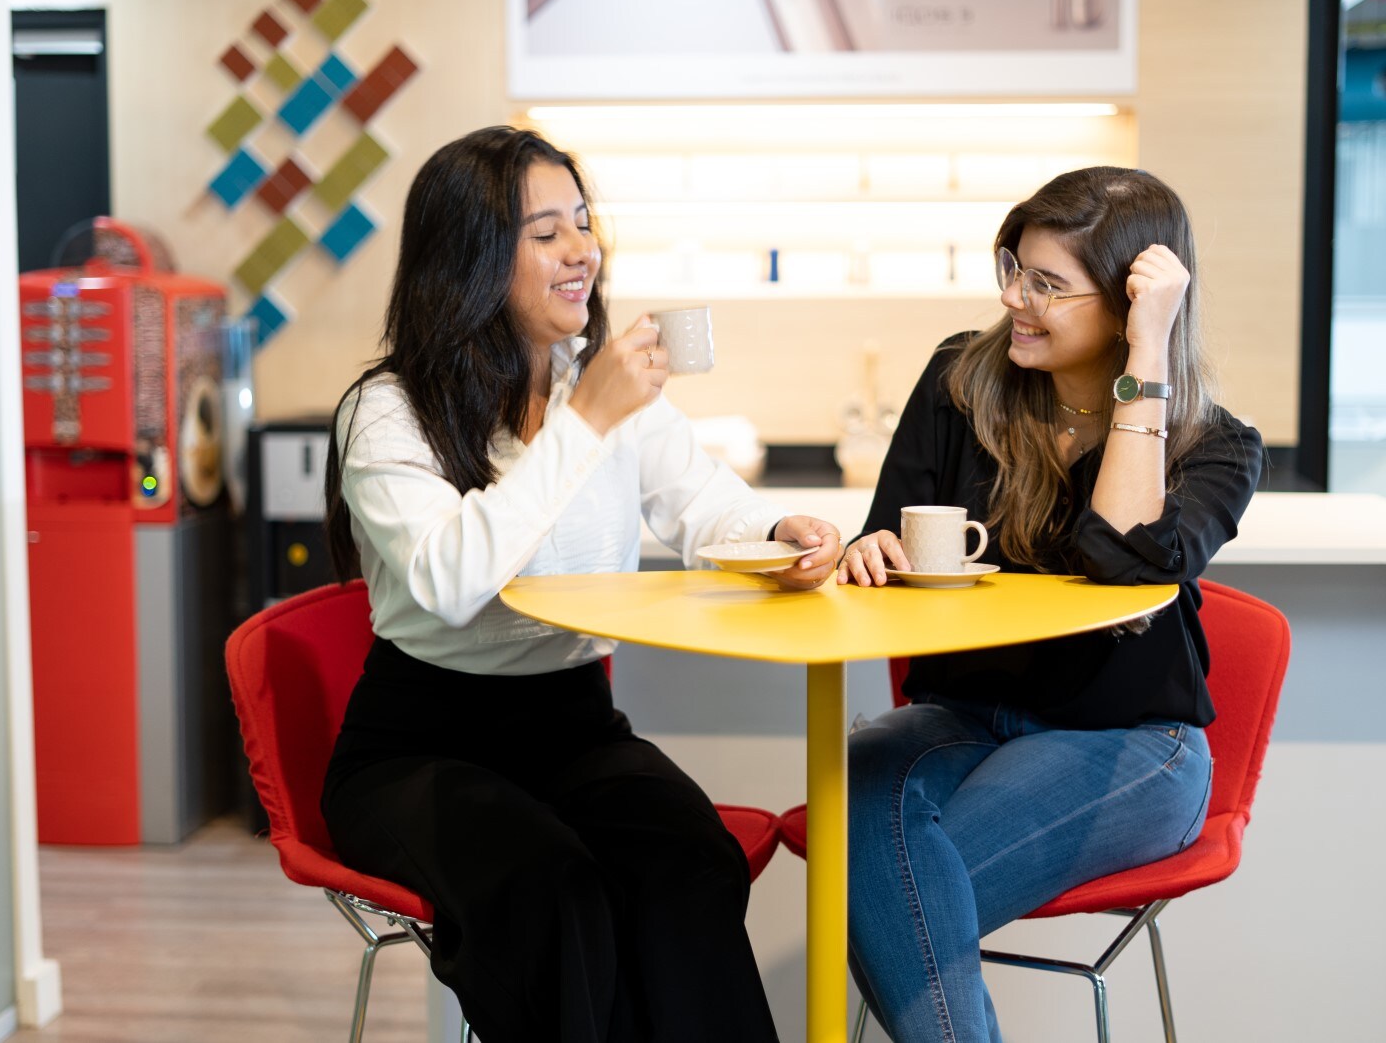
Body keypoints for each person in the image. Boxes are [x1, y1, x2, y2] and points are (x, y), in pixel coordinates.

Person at [319, 125, 843, 1043]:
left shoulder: (598, 391)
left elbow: (703, 502)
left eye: (584, 222)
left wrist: (773, 531)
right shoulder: (386, 410)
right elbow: (449, 580)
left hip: (571, 729)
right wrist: (588, 418)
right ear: (474, 257)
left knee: (690, 864)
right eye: (546, 231)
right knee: (554, 894)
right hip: (420, 748)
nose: (582, 251)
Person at [837, 166, 1264, 1042]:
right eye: (1013, 269)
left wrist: (1147, 359)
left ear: (1127, 302)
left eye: (1047, 284)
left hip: (1133, 744)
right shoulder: (962, 380)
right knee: (859, 792)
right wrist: (866, 551)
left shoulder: (1216, 446)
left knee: (884, 884)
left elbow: (1122, 560)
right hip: (961, 716)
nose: (1014, 299)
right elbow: (886, 536)